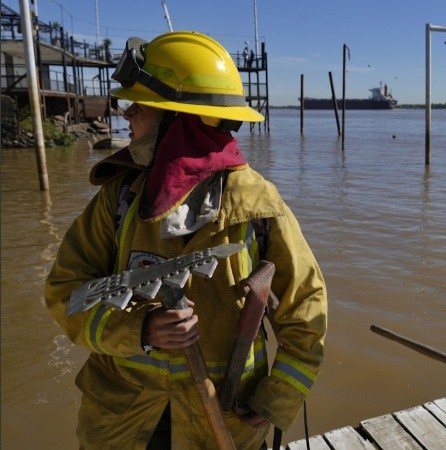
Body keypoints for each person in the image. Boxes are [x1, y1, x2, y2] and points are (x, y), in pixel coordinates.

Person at [45, 30, 327, 449]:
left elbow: (307, 311)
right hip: (123, 426)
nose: (127, 117)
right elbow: (65, 292)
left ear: (178, 122)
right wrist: (139, 329)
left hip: (223, 425)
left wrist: (276, 397)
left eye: (139, 107)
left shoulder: (258, 206)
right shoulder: (120, 198)